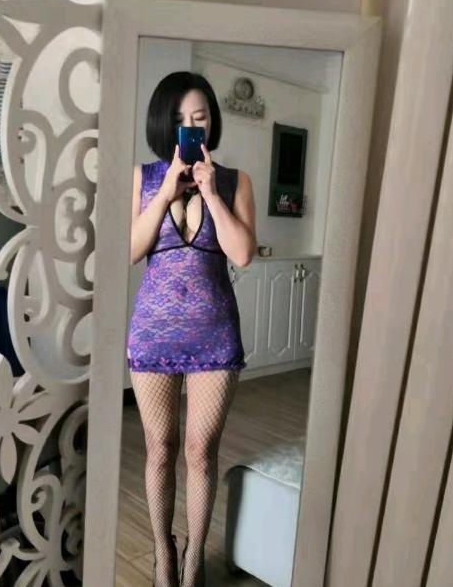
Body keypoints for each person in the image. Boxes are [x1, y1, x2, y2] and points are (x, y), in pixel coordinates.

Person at [127, 71, 256, 586]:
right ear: (164, 124)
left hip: (214, 337)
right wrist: (165, 194)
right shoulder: (143, 178)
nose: (191, 126)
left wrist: (211, 192)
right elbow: (128, 250)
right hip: (153, 336)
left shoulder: (235, 181)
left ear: (211, 123)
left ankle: (195, 558)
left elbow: (242, 254)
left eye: (199, 118)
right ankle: (164, 554)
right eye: (181, 119)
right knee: (159, 449)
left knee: (201, 452)